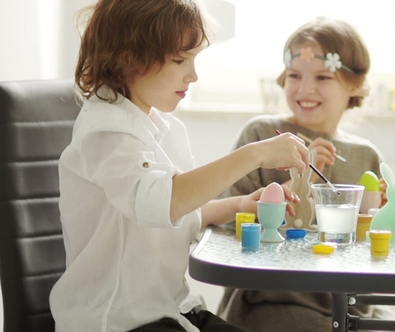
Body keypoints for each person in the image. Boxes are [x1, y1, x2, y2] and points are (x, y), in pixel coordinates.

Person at [48, 1, 309, 331]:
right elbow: (164, 201)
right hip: (117, 322)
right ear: (129, 57)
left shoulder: (163, 128)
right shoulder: (106, 131)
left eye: (194, 59)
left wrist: (241, 204)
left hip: (170, 311)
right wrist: (254, 154)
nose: (194, 74)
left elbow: (177, 209)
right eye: (179, 60)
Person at [216, 17, 395, 332]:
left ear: (354, 85)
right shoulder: (260, 136)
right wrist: (298, 183)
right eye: (294, 75)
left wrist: (381, 212)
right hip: (270, 301)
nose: (305, 88)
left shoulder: (366, 155)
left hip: (349, 303)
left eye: (323, 77)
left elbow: (375, 240)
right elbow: (224, 220)